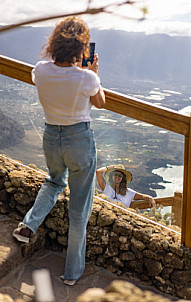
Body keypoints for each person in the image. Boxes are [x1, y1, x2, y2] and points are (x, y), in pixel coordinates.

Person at [13, 16, 105, 286]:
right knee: (79, 208)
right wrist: (95, 73)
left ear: (54, 43)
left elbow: (45, 82)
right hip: (79, 140)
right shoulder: (87, 77)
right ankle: (72, 274)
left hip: (51, 136)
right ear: (82, 48)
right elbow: (100, 102)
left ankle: (28, 226)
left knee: (53, 181)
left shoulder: (40, 70)